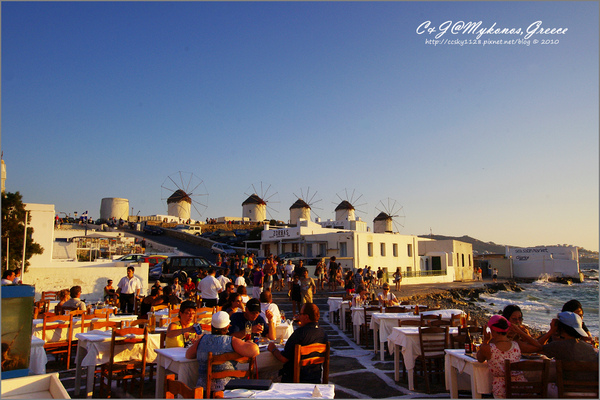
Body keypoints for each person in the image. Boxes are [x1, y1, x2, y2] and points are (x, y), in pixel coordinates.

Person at [185, 311, 259, 396]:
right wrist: (249, 342)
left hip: (204, 390)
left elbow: (188, 355)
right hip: (228, 389)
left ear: (212, 326)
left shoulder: (202, 339)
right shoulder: (231, 341)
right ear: (227, 326)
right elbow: (255, 351)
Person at [477, 315, 542, 398]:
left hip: (502, 391)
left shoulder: (488, 348)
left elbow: (480, 359)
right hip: (522, 389)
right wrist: (520, 332)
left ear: (492, 330)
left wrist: (485, 340)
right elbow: (539, 347)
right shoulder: (516, 344)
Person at [268, 303, 328, 383]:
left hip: (294, 379)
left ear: (306, 317)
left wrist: (273, 348)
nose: (299, 316)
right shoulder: (323, 333)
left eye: (300, 314)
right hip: (315, 378)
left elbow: (283, 358)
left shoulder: (299, 333)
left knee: (265, 376)